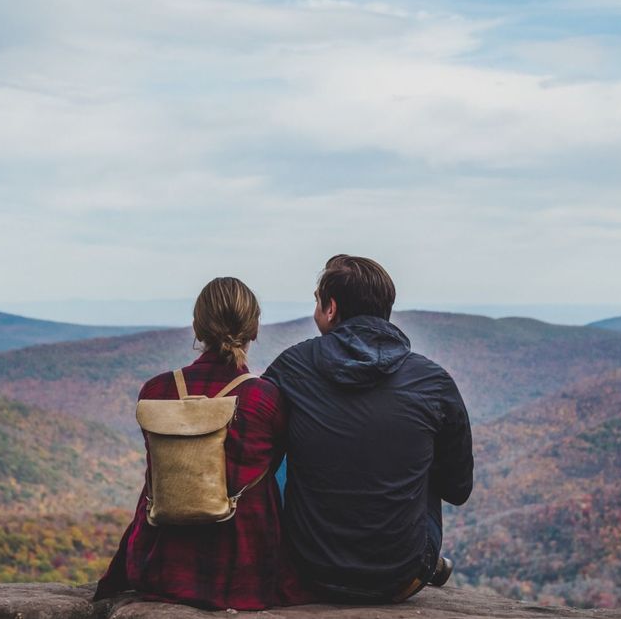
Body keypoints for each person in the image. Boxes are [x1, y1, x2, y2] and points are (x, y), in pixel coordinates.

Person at [264, 255, 474, 603]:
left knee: (281, 441)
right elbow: (457, 488)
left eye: (317, 300)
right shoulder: (433, 381)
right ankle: (421, 558)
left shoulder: (291, 368)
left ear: (331, 308)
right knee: (422, 454)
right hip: (401, 576)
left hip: (309, 569)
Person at [94, 277, 313, 610]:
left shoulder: (156, 392)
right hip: (246, 570)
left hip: (162, 566)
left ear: (197, 328)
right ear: (254, 330)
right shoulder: (265, 398)